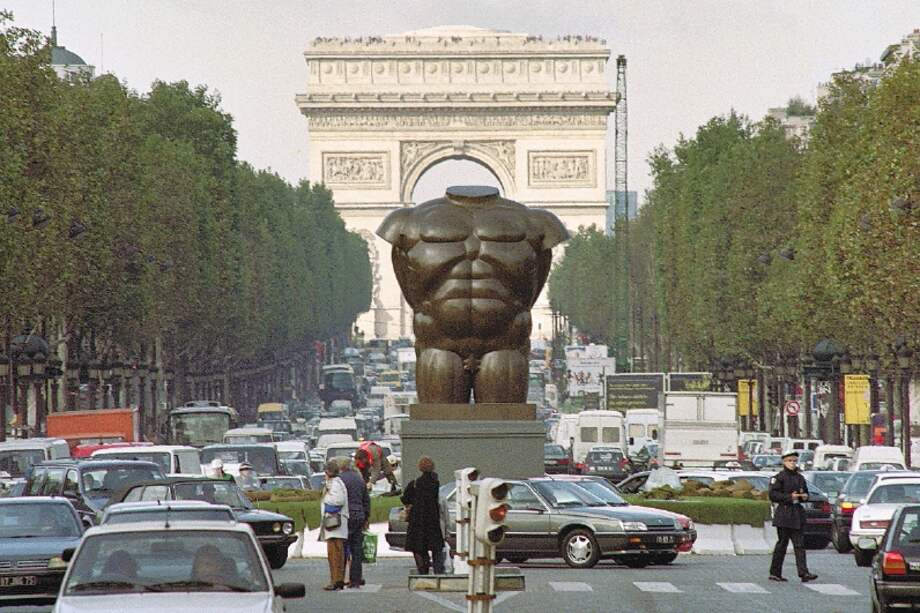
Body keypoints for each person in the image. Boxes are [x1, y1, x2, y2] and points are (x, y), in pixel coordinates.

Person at [769, 451, 818, 582]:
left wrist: (805, 497)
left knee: (799, 545)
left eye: (794, 461)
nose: (792, 463)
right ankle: (775, 572)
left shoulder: (800, 478)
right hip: (784, 514)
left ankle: (803, 572)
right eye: (790, 461)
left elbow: (805, 493)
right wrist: (790, 497)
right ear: (784, 462)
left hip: (797, 514)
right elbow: (773, 495)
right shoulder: (779, 477)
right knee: (782, 545)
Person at [401, 456, 444, 575]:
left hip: (417, 519)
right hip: (432, 520)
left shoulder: (415, 483)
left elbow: (405, 499)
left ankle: (423, 569)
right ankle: (438, 570)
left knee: (418, 546)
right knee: (436, 547)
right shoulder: (435, 483)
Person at [338, 457, 370, 589]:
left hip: (344, 516)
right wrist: (366, 517)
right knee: (356, 550)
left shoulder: (339, 480)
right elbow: (366, 499)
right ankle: (355, 579)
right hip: (358, 515)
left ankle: (340, 578)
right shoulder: (359, 479)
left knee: (342, 548)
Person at [319, 459, 349, 591]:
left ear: (327, 472)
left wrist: (325, 500)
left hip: (334, 522)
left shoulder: (335, 484)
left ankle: (336, 580)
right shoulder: (336, 483)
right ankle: (337, 579)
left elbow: (338, 500)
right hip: (335, 523)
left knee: (334, 553)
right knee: (337, 553)